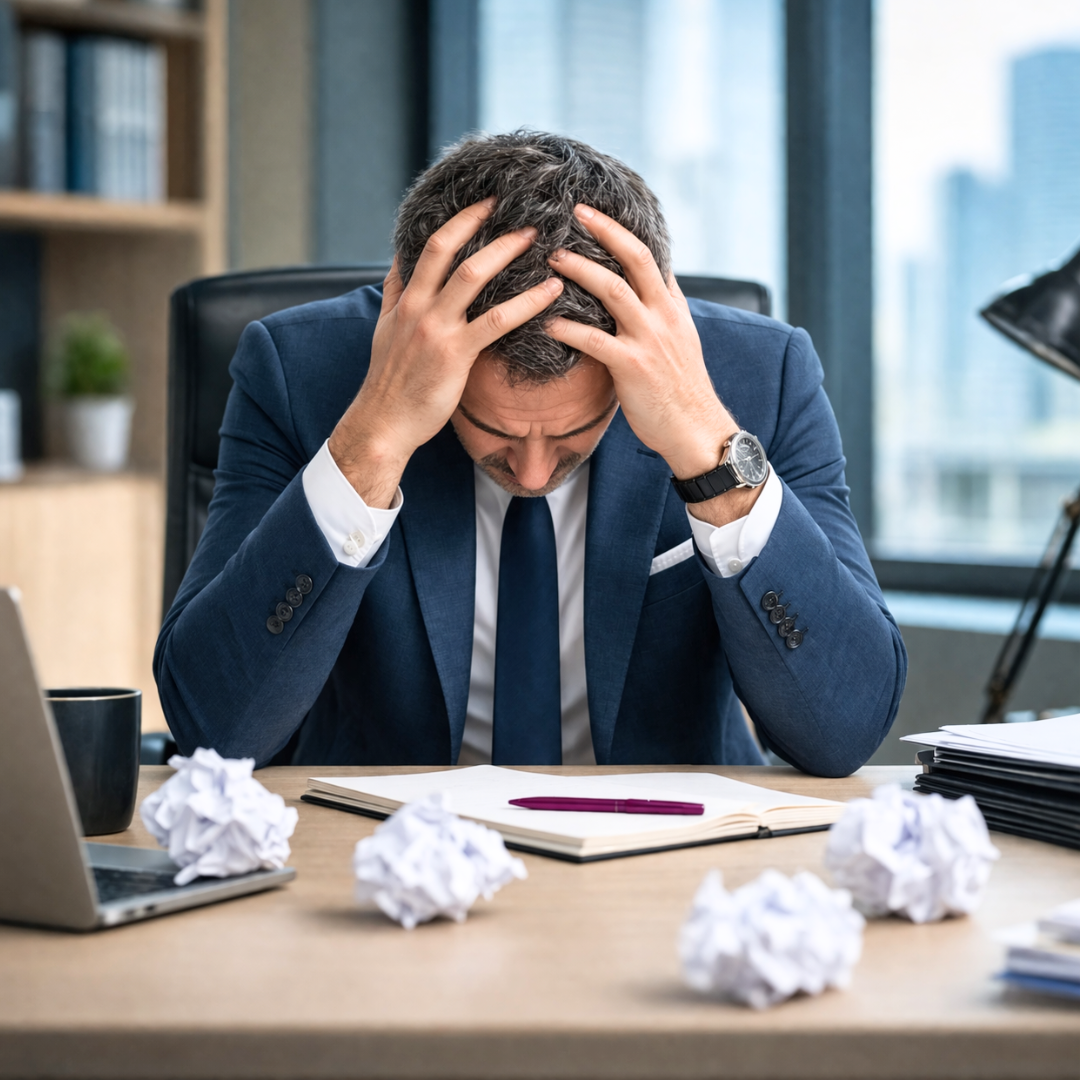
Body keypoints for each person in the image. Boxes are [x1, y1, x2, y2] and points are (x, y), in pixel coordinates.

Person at [155, 131, 906, 776]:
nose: (535, 475)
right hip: (381, 859)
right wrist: (374, 436)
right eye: (497, 432)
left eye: (574, 433)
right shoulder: (299, 372)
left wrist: (707, 449)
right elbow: (217, 731)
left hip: (667, 864)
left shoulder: (762, 377)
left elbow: (843, 731)